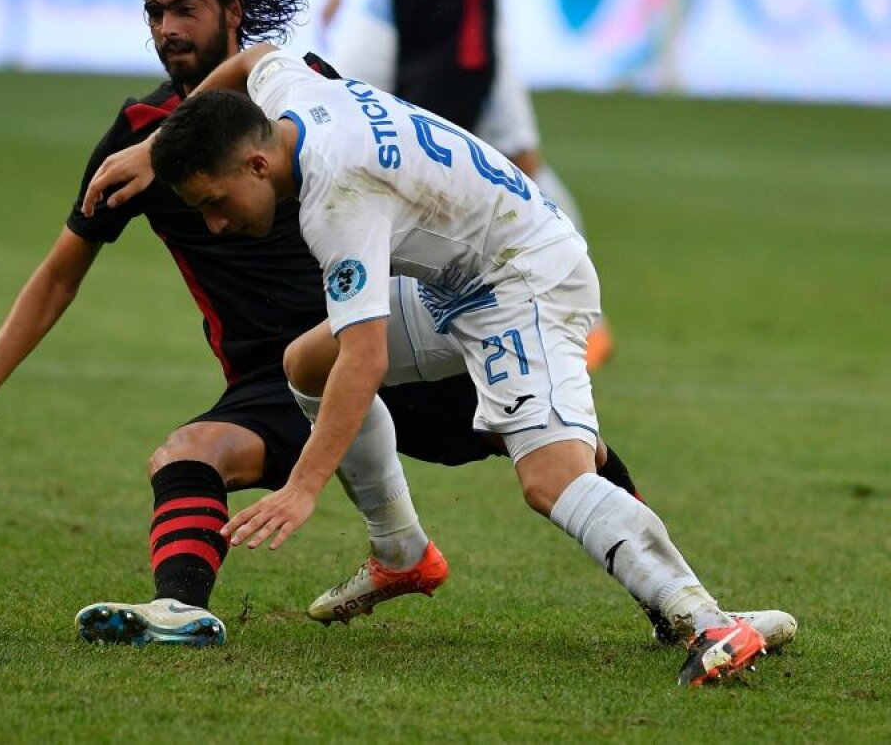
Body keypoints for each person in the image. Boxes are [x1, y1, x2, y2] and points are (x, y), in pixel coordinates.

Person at [147, 43, 795, 685]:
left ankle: (706, 618)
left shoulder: (334, 198)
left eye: (214, 201)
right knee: (308, 361)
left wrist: (305, 485)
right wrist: (147, 151)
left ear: (258, 164)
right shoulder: (297, 98)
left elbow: (367, 357)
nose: (214, 224)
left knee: (550, 480)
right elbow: (256, 55)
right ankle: (401, 552)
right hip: (459, 277)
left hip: (523, 280)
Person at [300, 0, 613, 368]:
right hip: (393, 33)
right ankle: (381, 316)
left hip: (470, 39)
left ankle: (577, 312)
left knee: (515, 167)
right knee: (355, 146)